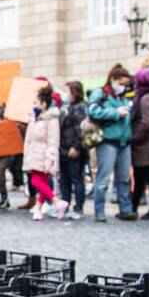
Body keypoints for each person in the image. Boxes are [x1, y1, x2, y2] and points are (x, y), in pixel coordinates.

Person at [87, 65, 137, 222]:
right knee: (103, 178)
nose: (123, 87)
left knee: (123, 178)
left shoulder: (122, 97)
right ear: (113, 80)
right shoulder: (100, 93)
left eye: (126, 84)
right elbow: (92, 111)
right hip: (107, 141)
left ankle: (125, 209)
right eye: (121, 83)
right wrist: (115, 113)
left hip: (124, 141)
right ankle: (99, 211)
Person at [22, 85, 64, 220]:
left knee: (36, 181)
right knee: (43, 183)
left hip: (43, 154)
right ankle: (39, 209)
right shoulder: (35, 118)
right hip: (33, 153)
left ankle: (57, 202)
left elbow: (53, 140)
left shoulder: (51, 119)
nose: (34, 105)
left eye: (36, 103)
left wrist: (50, 159)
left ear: (43, 104)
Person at [129, 66, 149, 220]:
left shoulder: (146, 98)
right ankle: (134, 207)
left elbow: (148, 123)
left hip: (143, 144)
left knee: (147, 177)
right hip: (144, 143)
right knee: (141, 177)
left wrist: (134, 138)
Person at [58, 81, 87, 220]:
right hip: (63, 148)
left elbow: (80, 129)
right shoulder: (66, 107)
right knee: (64, 180)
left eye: (67, 91)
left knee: (76, 178)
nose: (65, 94)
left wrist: (76, 147)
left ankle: (78, 206)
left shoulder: (80, 107)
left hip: (72, 149)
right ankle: (65, 204)